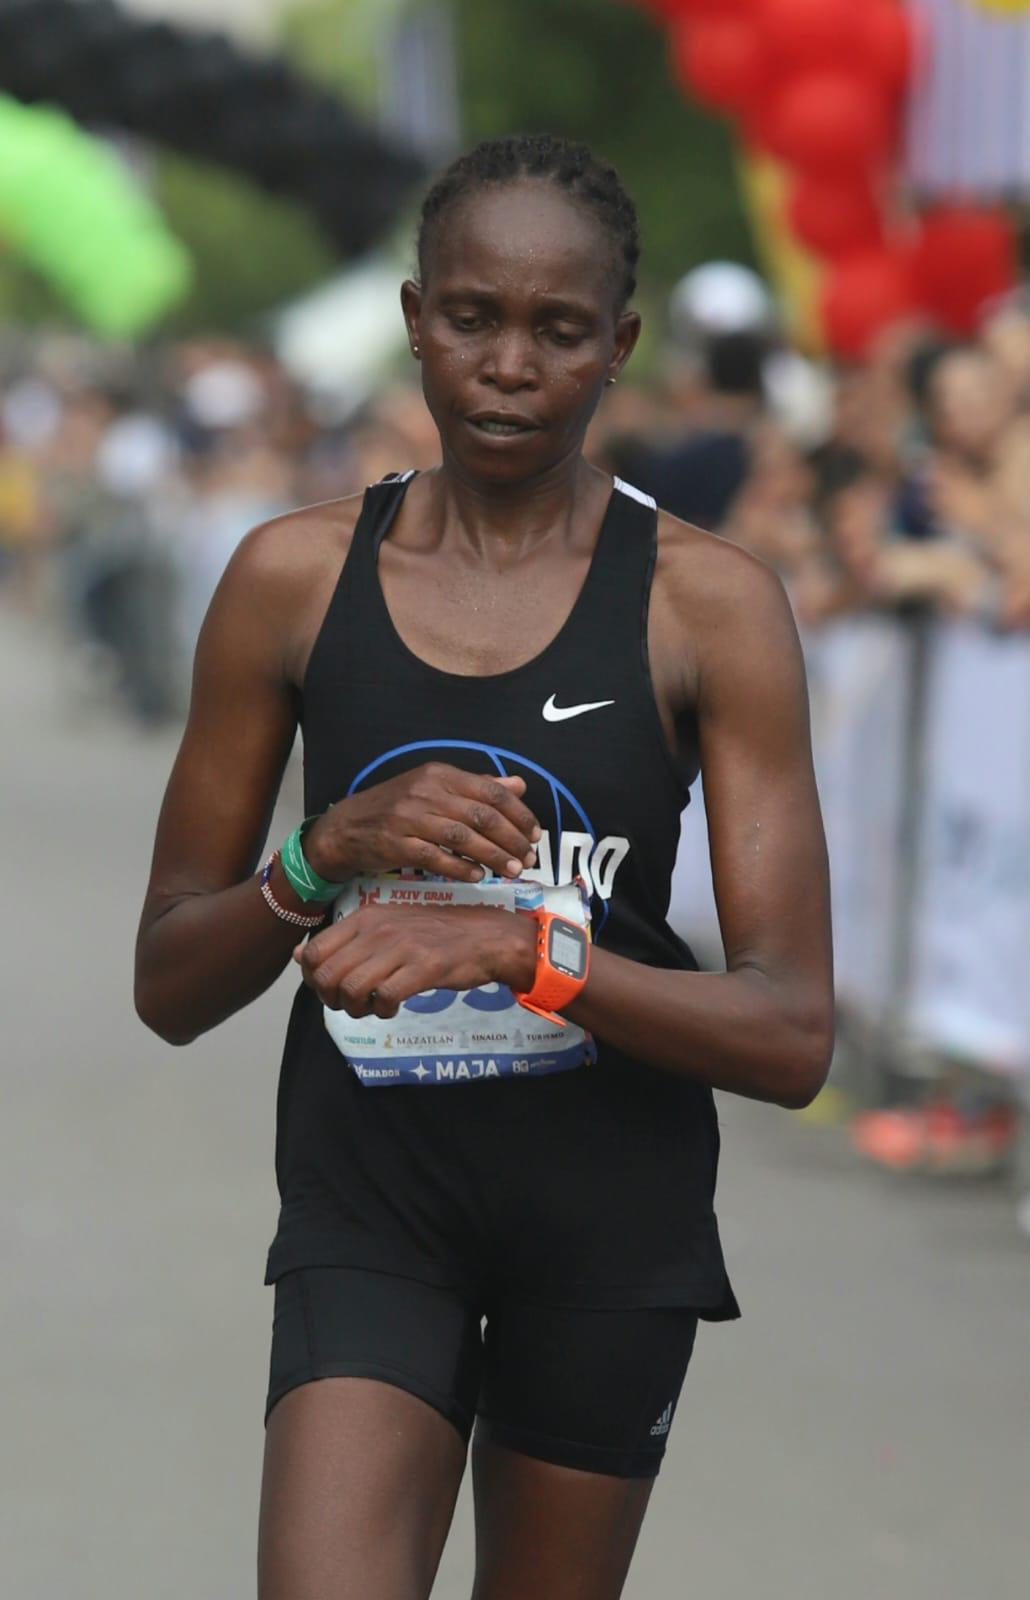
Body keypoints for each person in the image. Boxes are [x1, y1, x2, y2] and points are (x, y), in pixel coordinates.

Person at [135, 135, 834, 1600]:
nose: (508, 363)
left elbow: (788, 1034)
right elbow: (169, 982)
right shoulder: (290, 577)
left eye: (558, 330)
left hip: (608, 1227)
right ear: (411, 319)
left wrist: (529, 951)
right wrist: (317, 860)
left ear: (617, 349)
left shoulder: (708, 606)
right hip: (368, 1205)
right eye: (471, 318)